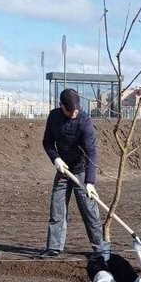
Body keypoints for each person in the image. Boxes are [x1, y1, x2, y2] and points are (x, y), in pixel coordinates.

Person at [41, 88, 109, 258]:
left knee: (89, 211)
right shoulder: (54, 117)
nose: (73, 113)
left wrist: (90, 182)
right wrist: (55, 158)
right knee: (57, 210)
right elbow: (47, 142)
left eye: (76, 110)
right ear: (61, 106)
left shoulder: (84, 121)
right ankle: (54, 248)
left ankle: (100, 250)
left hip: (82, 170)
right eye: (69, 110)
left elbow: (91, 152)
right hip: (63, 170)